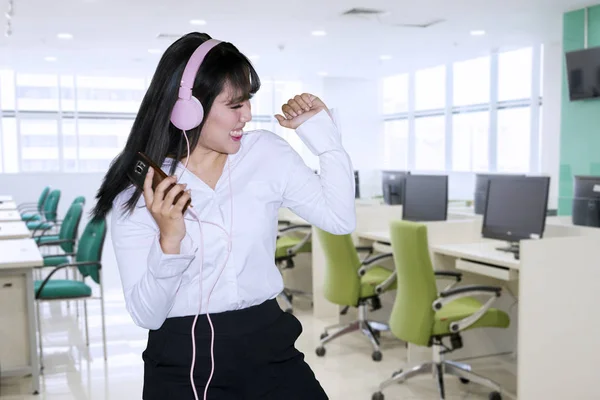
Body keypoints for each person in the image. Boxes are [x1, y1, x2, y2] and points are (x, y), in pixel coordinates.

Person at [92, 32, 356, 399]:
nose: (247, 115)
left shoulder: (265, 153)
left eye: (248, 102)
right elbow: (147, 316)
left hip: (269, 343)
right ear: (189, 108)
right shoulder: (143, 191)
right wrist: (170, 241)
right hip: (183, 360)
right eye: (235, 105)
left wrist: (324, 137)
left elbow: (339, 219)